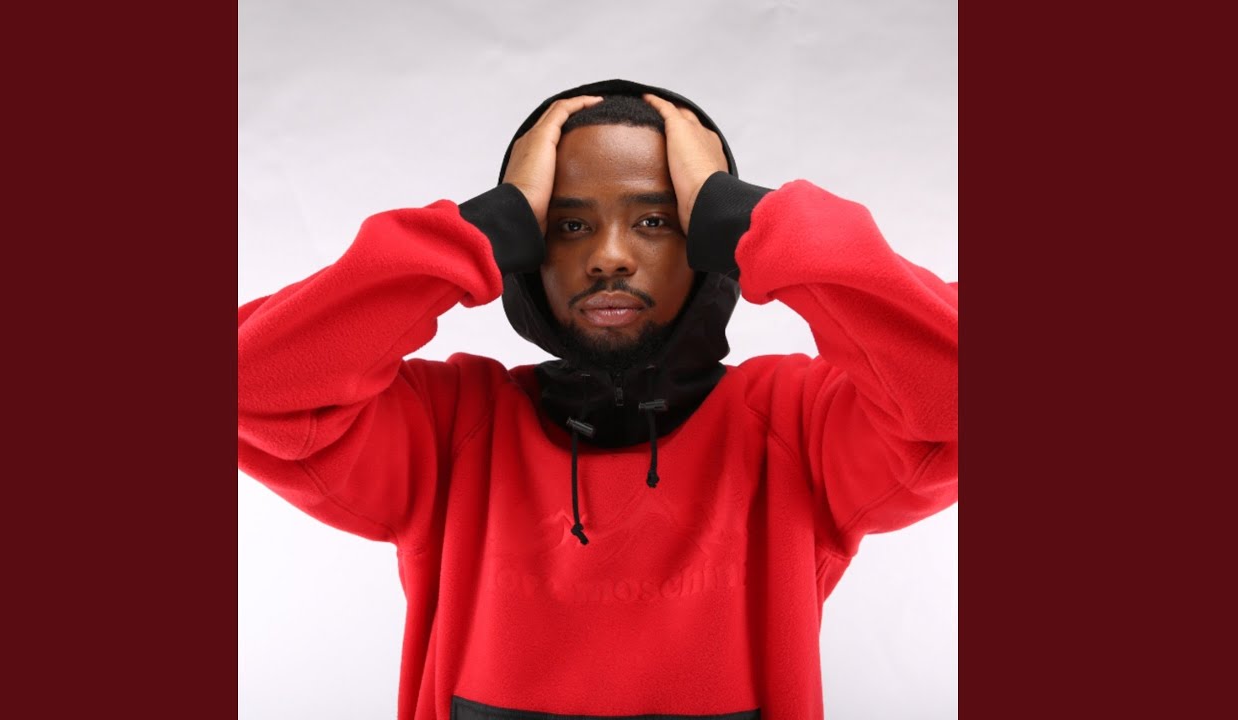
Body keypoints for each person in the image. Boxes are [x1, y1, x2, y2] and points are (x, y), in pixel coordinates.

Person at [238, 79, 957, 720]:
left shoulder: (797, 426)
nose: (609, 256)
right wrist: (478, 231)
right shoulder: (449, 428)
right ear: (525, 252)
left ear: (707, 245)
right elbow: (250, 383)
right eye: (568, 225)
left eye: (657, 221)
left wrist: (749, 219)